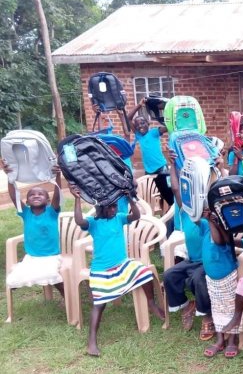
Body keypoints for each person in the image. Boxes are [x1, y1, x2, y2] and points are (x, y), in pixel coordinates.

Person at [71, 186, 164, 356]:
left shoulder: (119, 218)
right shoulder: (93, 223)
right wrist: (77, 199)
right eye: (110, 207)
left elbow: (135, 216)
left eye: (115, 206)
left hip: (123, 265)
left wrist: (130, 198)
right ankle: (92, 340)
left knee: (144, 272)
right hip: (101, 270)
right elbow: (79, 221)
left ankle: (151, 303)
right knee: (99, 303)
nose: (114, 209)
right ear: (101, 208)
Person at [162, 150, 213, 338]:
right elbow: (176, 189)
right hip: (191, 259)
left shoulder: (207, 215)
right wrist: (172, 166)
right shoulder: (187, 210)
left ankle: (207, 316)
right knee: (169, 275)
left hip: (207, 262)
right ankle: (187, 305)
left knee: (198, 279)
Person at [1, 160, 64, 297]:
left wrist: (57, 176)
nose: (36, 195)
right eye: (32, 195)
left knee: (52, 276)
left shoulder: (51, 212)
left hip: (51, 257)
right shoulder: (26, 214)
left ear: (47, 201)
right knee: (13, 279)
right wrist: (10, 178)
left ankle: (68, 300)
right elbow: (14, 197)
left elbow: (58, 193)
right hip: (32, 257)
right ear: (27, 201)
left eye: (41, 194)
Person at [202, 211, 240, 358]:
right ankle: (220, 338)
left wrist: (214, 222)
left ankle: (232, 339)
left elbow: (220, 241)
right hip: (211, 278)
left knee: (230, 307)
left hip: (227, 276)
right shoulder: (204, 227)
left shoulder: (224, 232)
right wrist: (206, 218)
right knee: (216, 307)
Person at [127, 97, 174, 206]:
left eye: (142, 123)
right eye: (137, 124)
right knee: (152, 195)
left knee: (168, 194)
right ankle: (163, 214)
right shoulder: (139, 135)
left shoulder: (154, 132)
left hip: (162, 169)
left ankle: (172, 214)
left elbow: (168, 126)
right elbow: (129, 118)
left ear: (148, 123)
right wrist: (139, 105)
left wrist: (166, 112)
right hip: (149, 171)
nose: (140, 126)